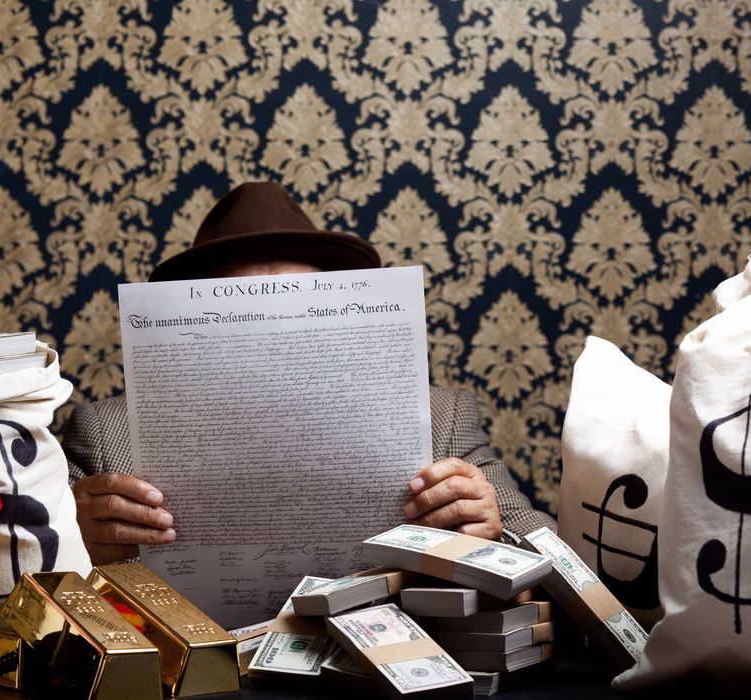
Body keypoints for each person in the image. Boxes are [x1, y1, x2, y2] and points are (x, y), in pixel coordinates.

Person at [64, 182, 555, 564]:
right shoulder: (105, 433)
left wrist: (493, 532)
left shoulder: (439, 417)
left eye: (297, 306)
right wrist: (69, 533)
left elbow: (560, 564)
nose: (271, 332)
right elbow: (11, 575)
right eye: (239, 311)